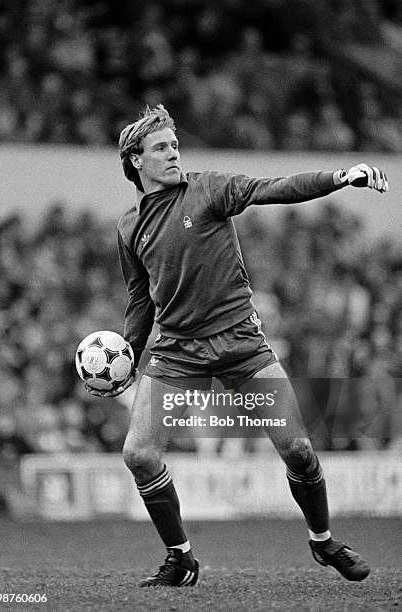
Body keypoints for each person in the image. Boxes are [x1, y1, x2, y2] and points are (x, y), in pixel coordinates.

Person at [86, 104, 388, 587]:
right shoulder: (128, 226)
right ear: (135, 160)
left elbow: (273, 188)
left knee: (297, 450)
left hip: (241, 345)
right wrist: (125, 354)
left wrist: (339, 176)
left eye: (175, 144)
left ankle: (324, 541)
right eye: (161, 147)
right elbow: (141, 299)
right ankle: (181, 560)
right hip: (178, 351)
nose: (173, 153)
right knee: (139, 454)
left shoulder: (208, 189)